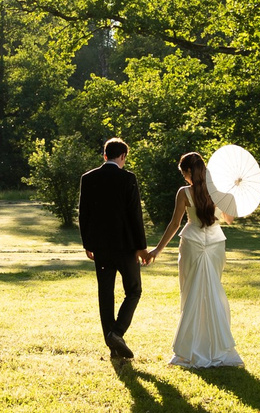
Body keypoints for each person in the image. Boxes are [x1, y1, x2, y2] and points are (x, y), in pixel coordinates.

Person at [148, 149, 241, 369]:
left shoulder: (184, 192)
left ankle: (191, 347)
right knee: (212, 291)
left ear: (189, 171)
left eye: (184, 173)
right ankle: (216, 347)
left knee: (191, 293)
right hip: (216, 243)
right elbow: (229, 220)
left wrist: (158, 250)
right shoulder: (218, 190)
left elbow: (174, 224)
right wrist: (230, 194)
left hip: (192, 243)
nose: (184, 178)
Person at [76, 137, 151, 359]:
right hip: (126, 246)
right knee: (134, 290)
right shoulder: (128, 179)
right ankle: (117, 333)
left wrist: (88, 243)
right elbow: (135, 215)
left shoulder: (88, 178)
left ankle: (113, 345)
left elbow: (84, 214)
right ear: (123, 156)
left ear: (105, 155)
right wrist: (141, 247)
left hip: (101, 247)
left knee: (105, 294)